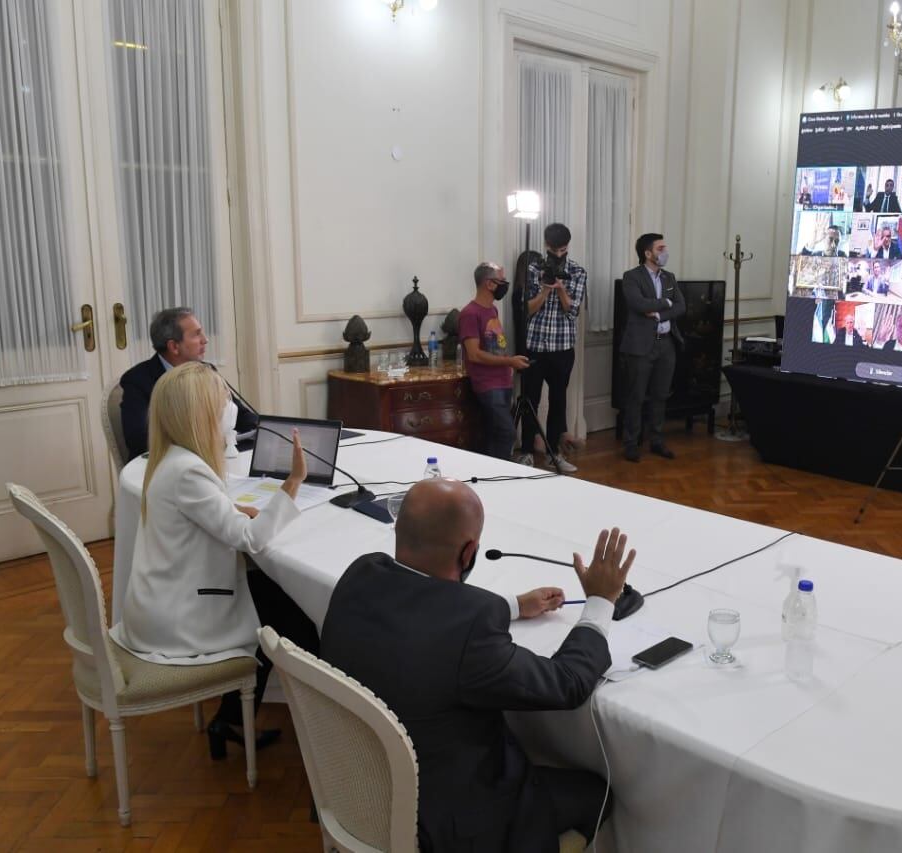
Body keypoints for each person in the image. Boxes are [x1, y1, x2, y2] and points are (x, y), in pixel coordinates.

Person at [321, 478, 635, 852]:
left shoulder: (361, 572)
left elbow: (425, 607)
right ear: (469, 551)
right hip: (443, 823)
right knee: (595, 793)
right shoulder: (470, 631)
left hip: (356, 787)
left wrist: (515, 604)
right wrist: (600, 602)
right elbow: (566, 683)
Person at [110, 362, 308, 758]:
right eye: (222, 402)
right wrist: (293, 482)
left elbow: (204, 517)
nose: (229, 409)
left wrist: (233, 510)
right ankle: (314, 727)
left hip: (160, 601)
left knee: (273, 599)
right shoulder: (190, 472)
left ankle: (231, 717)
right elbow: (249, 540)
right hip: (178, 618)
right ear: (202, 414)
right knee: (292, 616)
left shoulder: (170, 459)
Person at [119, 307, 256, 461]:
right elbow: (139, 440)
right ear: (174, 346)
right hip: (164, 469)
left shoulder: (206, 370)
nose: (205, 340)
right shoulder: (137, 380)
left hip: (213, 461)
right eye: (197, 334)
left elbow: (241, 415)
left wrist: (262, 428)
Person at [517, 223, 586, 474]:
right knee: (530, 401)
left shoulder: (577, 271)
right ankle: (526, 451)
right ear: (546, 245)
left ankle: (554, 454)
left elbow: (573, 311)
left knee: (559, 401)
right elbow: (528, 310)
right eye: (554, 249)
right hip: (535, 346)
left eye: (563, 249)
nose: (559, 254)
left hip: (562, 347)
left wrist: (561, 290)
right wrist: (546, 289)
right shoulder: (533, 269)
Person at [619, 233, 685, 463]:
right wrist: (665, 303)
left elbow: (681, 306)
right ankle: (631, 443)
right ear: (648, 253)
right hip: (640, 346)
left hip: (666, 344)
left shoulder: (669, 277)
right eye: (660, 248)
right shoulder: (631, 277)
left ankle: (657, 441)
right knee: (636, 396)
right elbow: (638, 304)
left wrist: (658, 312)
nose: (665, 252)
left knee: (660, 395)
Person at [460, 263, 529, 460]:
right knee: (506, 433)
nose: (505, 285)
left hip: (502, 381)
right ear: (489, 284)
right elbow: (474, 354)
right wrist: (509, 362)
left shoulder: (493, 310)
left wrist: (509, 363)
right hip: (487, 384)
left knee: (494, 434)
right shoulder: (470, 314)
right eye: (502, 281)